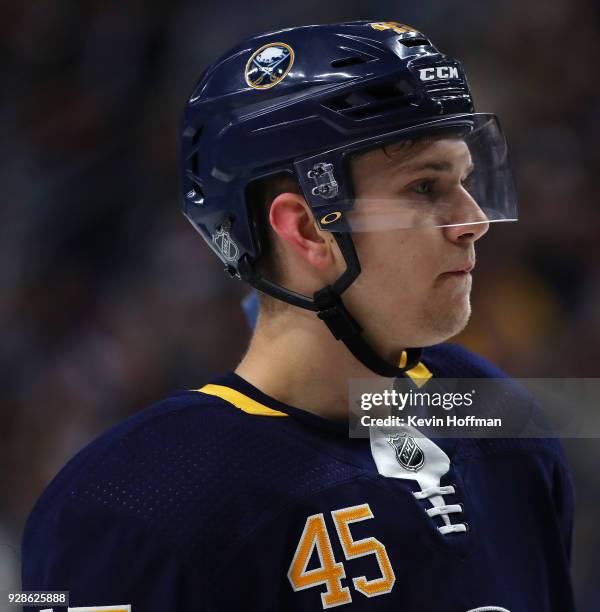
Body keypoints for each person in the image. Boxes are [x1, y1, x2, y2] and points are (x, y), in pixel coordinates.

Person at [22, 21, 575, 611]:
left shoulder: (498, 417)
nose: (473, 221)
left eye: (465, 181)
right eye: (423, 187)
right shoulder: (128, 500)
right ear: (307, 228)